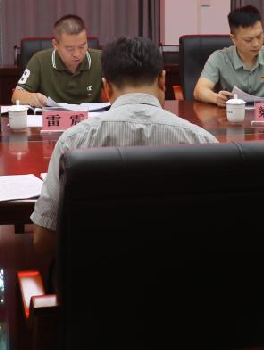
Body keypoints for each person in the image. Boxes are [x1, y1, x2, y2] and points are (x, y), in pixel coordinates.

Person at [31, 36, 218, 257]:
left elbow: (43, 240)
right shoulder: (203, 142)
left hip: (93, 275)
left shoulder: (72, 142)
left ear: (106, 87)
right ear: (162, 80)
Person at [193, 5, 264, 106]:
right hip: (230, 117)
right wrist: (216, 98)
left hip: (260, 118)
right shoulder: (219, 58)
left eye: (259, 36)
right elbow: (199, 90)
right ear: (234, 39)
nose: (256, 44)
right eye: (248, 40)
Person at [12, 14, 103, 107]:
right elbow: (16, 96)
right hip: (53, 115)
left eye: (82, 46)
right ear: (55, 44)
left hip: (92, 115)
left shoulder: (101, 59)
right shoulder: (39, 60)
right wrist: (31, 97)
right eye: (70, 49)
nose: (77, 54)